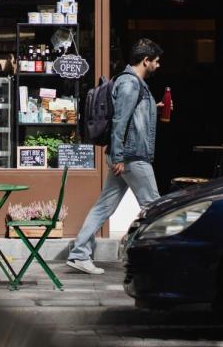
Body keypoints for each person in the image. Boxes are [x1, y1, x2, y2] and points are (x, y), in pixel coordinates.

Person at [67, 38, 166, 275]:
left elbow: (131, 115)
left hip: (125, 155)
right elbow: (120, 121)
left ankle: (79, 253)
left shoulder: (132, 83)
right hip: (131, 156)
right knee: (154, 206)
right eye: (156, 61)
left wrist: (155, 107)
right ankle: (160, 255)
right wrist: (120, 157)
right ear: (146, 60)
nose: (158, 65)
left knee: (104, 206)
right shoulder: (131, 84)